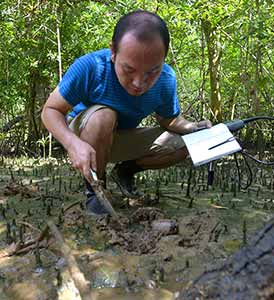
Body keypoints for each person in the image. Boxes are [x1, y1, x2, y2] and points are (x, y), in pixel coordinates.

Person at [41, 10, 211, 215]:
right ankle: (95, 189)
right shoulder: (91, 67)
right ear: (113, 52)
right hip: (86, 133)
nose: (139, 83)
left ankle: (126, 170)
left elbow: (168, 119)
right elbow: (50, 110)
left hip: (121, 138)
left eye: (152, 72)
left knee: (187, 144)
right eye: (129, 70)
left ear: (163, 59)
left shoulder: (166, 79)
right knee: (104, 116)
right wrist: (72, 144)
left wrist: (194, 128)